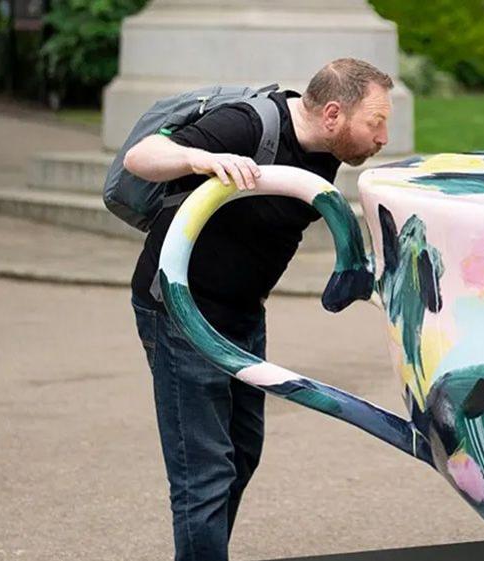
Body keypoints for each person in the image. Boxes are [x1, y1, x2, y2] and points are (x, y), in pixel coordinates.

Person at [126, 58, 392, 561]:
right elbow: (142, 156)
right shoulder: (248, 124)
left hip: (244, 315)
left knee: (242, 451)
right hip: (182, 315)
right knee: (203, 472)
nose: (382, 138)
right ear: (333, 113)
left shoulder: (323, 150)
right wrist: (198, 160)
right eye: (375, 122)